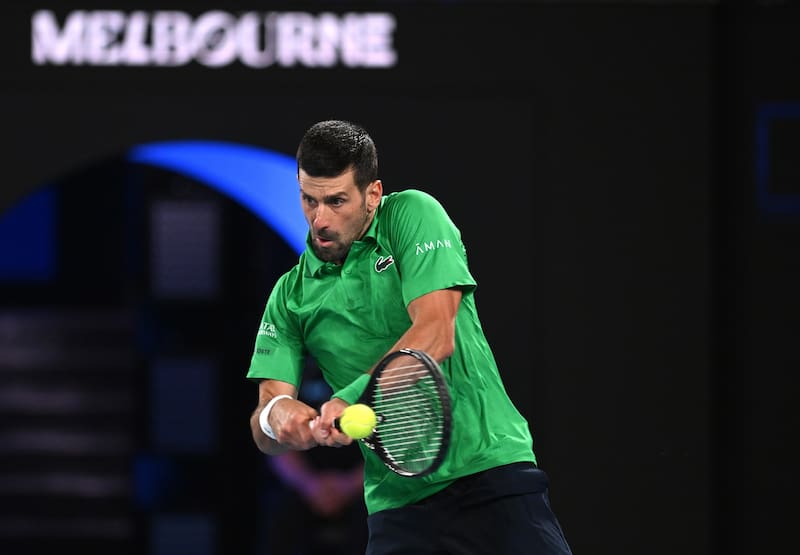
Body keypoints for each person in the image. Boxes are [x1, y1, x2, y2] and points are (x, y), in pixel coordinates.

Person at [247, 119, 572, 554]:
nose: (319, 219)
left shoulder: (412, 215)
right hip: (397, 505)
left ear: (373, 195)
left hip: (490, 473)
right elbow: (264, 420)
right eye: (309, 199)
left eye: (336, 201)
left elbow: (436, 334)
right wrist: (279, 419)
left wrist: (353, 398)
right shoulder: (289, 296)